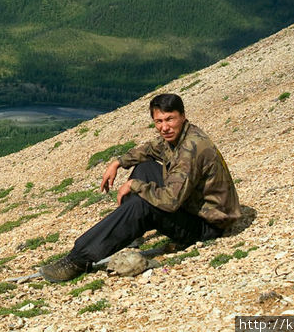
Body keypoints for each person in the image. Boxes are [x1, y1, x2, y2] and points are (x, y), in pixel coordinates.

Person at [40, 93, 241, 282]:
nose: (164, 127)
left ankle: (77, 260)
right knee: (145, 167)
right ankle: (130, 234)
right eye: (159, 121)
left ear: (183, 116)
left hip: (207, 225)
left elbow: (171, 201)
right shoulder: (180, 136)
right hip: (193, 206)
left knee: (141, 204)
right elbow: (150, 149)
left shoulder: (191, 148)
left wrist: (134, 185)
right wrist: (117, 163)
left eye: (170, 119)